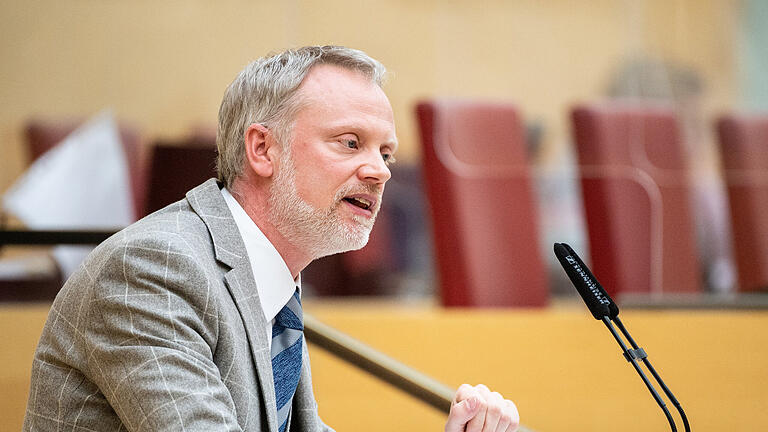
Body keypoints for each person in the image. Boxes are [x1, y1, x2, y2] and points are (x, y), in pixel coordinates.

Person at [23, 46, 519, 432]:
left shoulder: (271, 279)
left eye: (385, 152)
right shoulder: (154, 269)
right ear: (263, 149)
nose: (380, 172)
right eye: (350, 143)